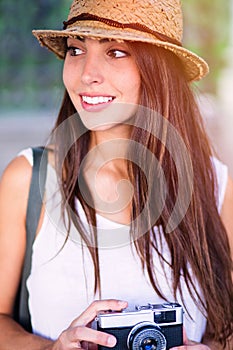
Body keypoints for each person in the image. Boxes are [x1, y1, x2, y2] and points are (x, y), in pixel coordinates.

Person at [0, 0, 232, 349]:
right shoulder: (29, 180)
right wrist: (51, 348)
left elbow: (226, 329)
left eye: (116, 52)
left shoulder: (217, 187)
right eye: (76, 49)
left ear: (159, 70)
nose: (87, 73)